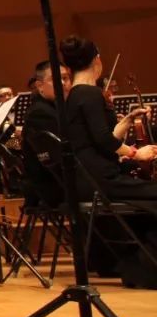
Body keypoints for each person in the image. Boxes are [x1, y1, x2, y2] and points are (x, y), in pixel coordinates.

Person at [60, 36, 156, 205]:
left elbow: (102, 137)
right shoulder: (90, 93)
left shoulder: (74, 95)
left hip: (87, 179)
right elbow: (103, 138)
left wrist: (128, 119)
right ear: (96, 59)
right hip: (102, 179)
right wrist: (136, 153)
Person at [21, 61, 71, 208]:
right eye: (55, 79)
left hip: (59, 181)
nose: (63, 83)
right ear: (40, 86)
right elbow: (59, 159)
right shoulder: (40, 113)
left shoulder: (53, 108)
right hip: (54, 186)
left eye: (66, 78)